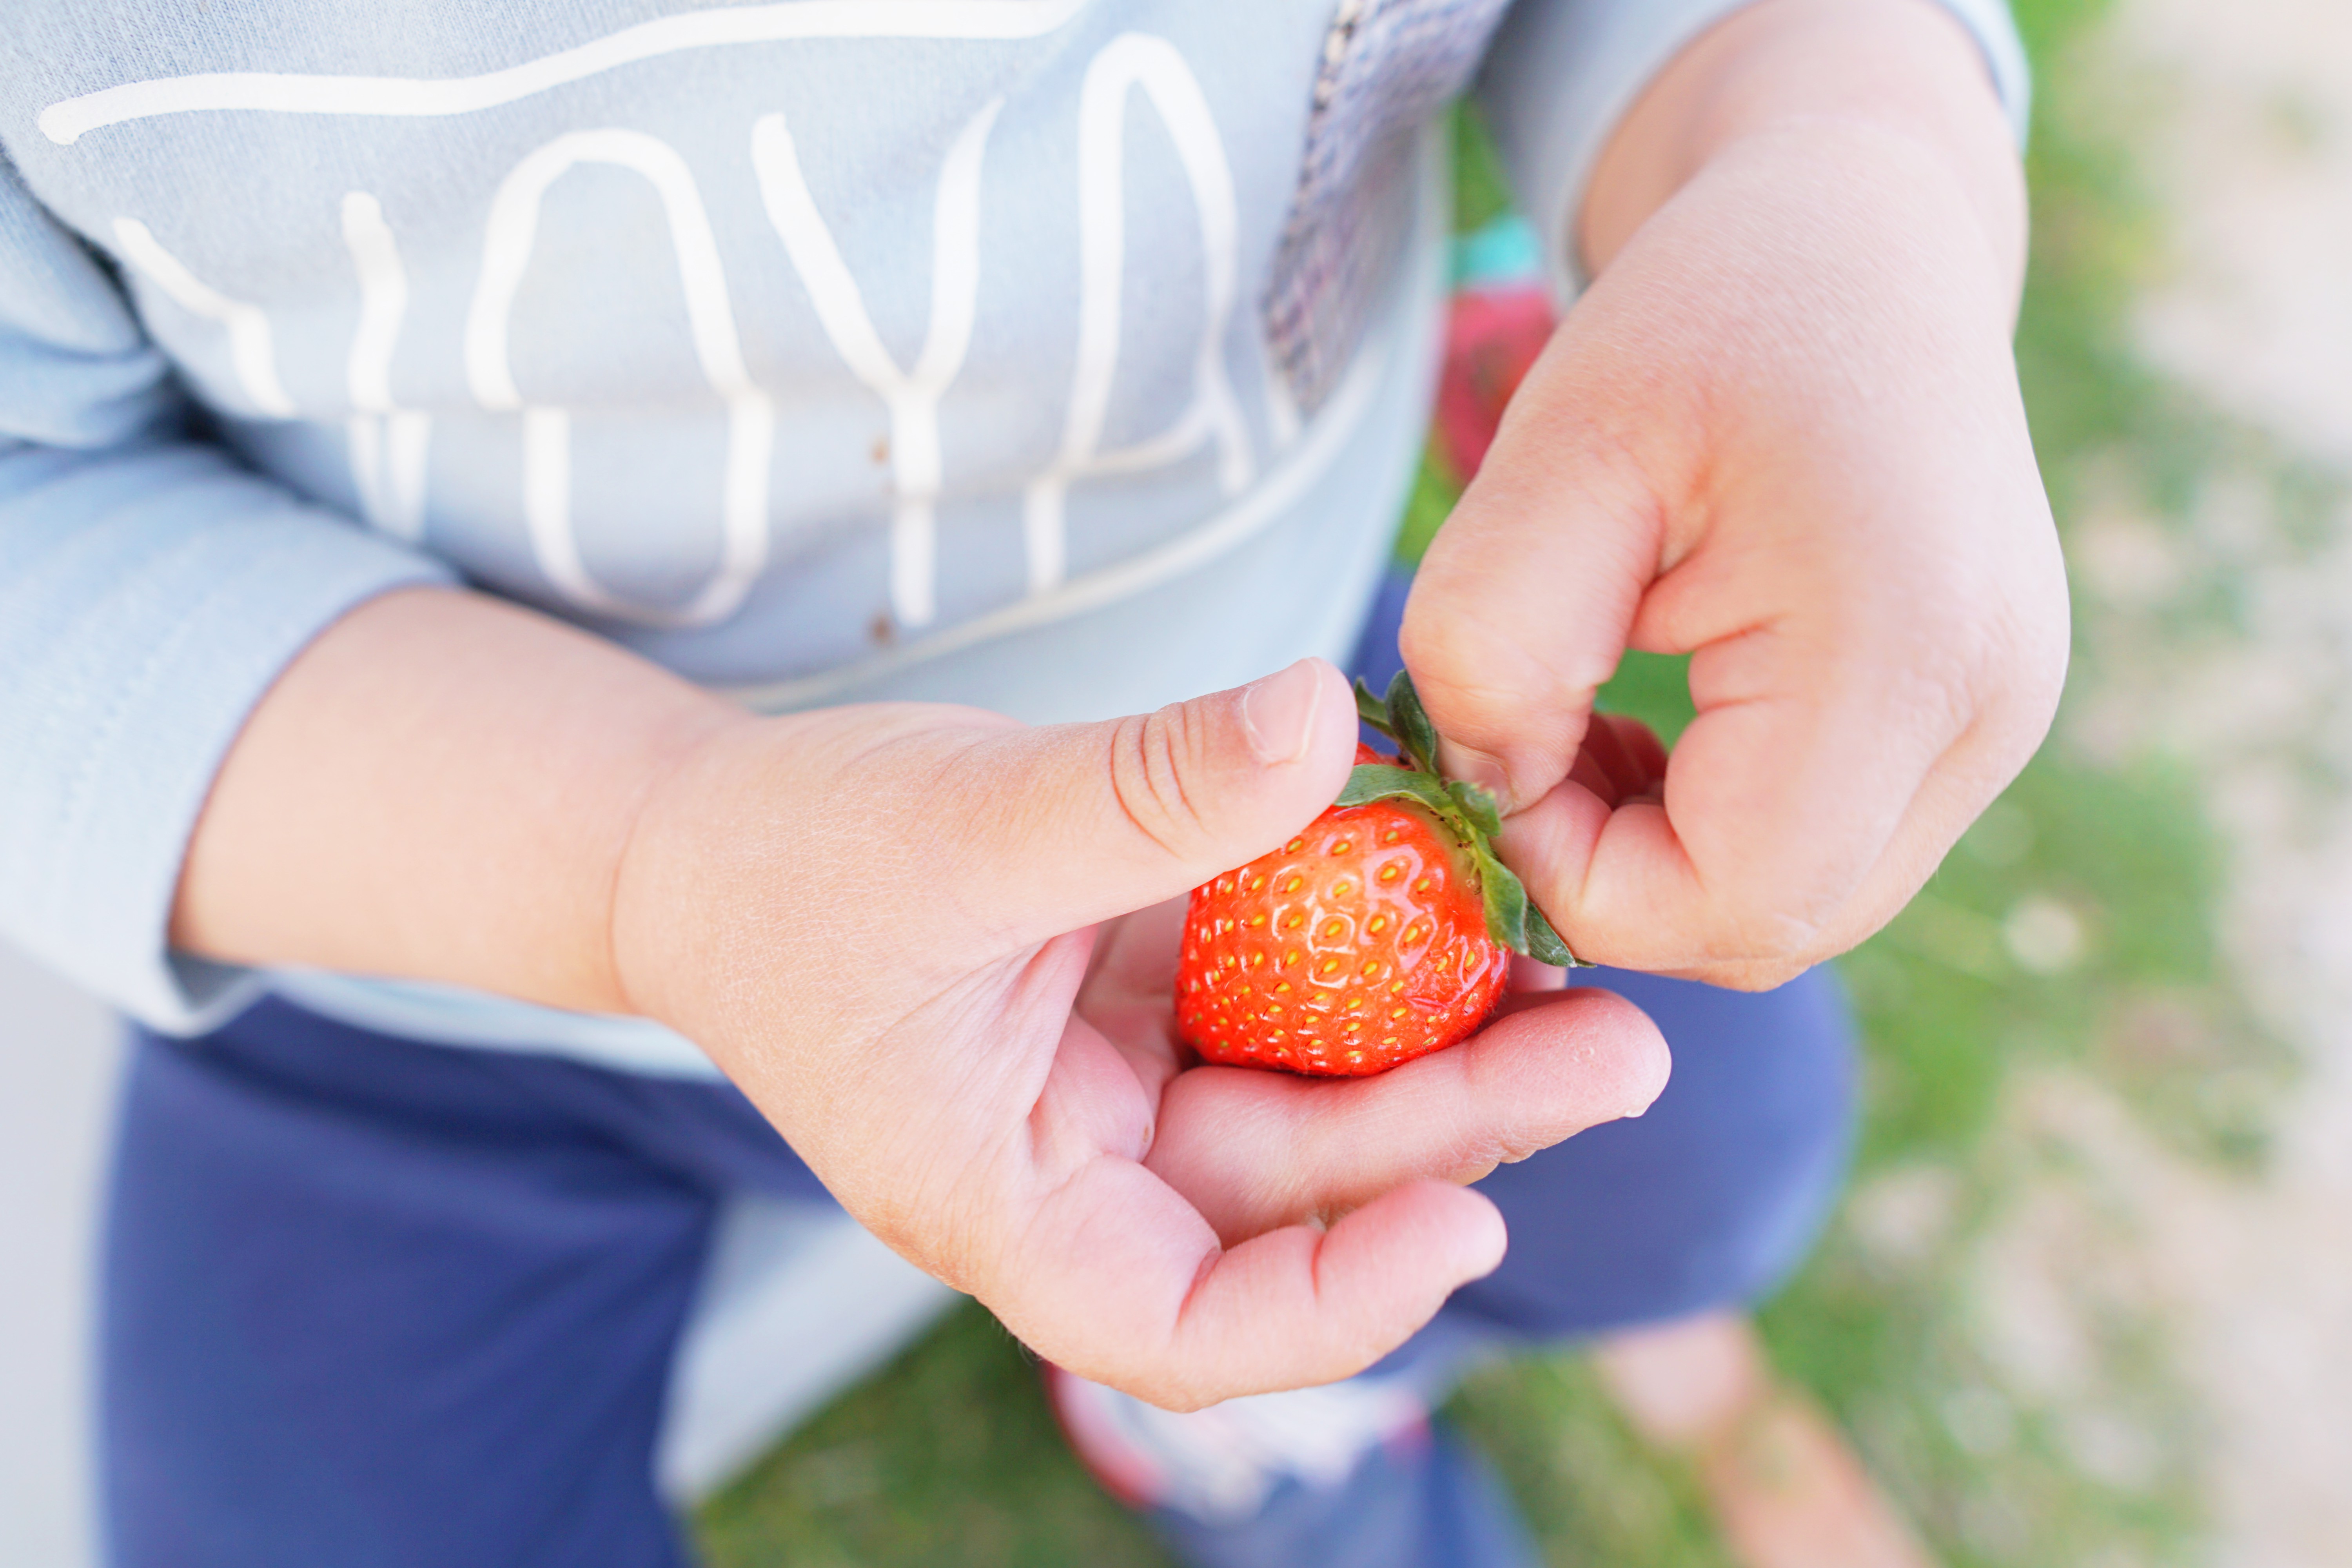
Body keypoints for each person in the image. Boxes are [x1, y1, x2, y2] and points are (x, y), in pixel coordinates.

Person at [0, 0, 2062, 1564]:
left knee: (1716, 1156)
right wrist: (650, 868)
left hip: (1258, 771)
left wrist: (1843, 173)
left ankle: (1246, 1418)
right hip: (417, 922)